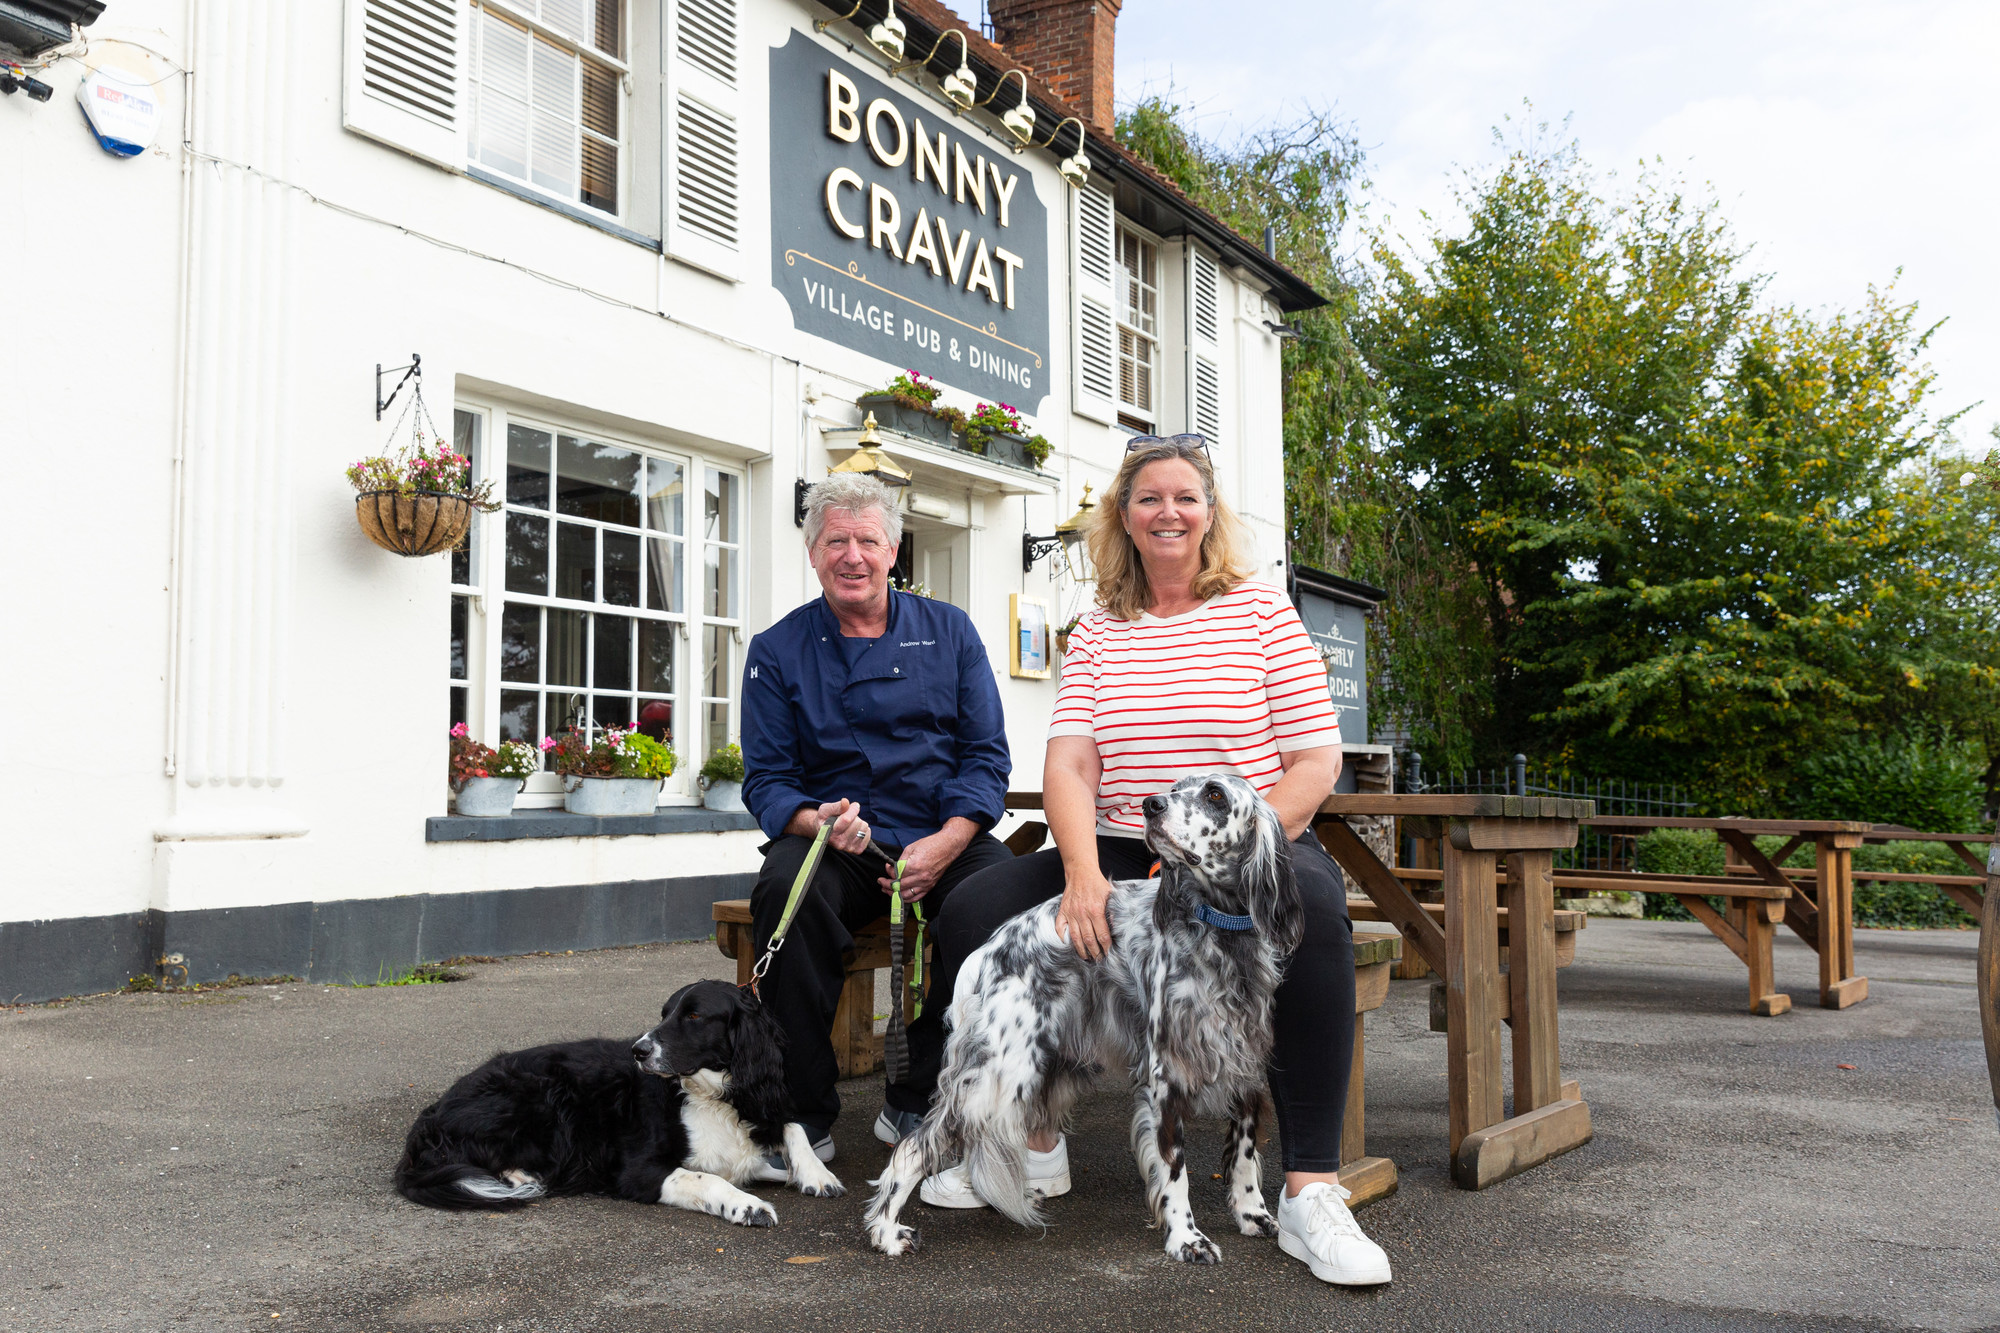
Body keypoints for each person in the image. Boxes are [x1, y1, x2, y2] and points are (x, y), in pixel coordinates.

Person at [899, 436, 1393, 1286]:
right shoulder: (1097, 628)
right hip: (1126, 840)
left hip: (1250, 840)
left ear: (1210, 512)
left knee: (1311, 914)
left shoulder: (1262, 610)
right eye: (1149, 498)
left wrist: (1221, 850)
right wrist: (1084, 875)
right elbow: (1070, 765)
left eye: (1186, 497)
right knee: (972, 909)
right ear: (1122, 517)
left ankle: (1312, 1190)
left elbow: (1316, 761)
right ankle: (1033, 1141)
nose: (1168, 512)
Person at [738, 472, 1014, 1167]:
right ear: (813, 553)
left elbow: (985, 757)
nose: (852, 555)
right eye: (836, 540)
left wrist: (949, 842)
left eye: (867, 539)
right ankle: (800, 1116)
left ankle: (923, 1092)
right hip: (840, 843)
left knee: (1000, 899)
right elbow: (767, 779)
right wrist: (815, 821)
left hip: (942, 829)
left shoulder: (950, 632)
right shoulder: (776, 652)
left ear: (894, 549)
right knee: (785, 891)